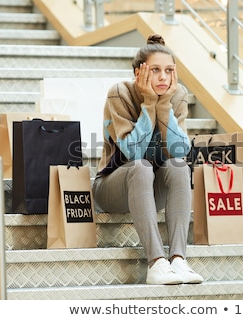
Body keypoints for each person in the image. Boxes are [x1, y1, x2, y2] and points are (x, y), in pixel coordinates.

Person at [92, 34, 203, 285]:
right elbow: (133, 152)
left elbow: (178, 151)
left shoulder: (178, 96)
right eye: (155, 70)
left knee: (177, 166)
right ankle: (156, 262)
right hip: (112, 186)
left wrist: (164, 106)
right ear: (138, 72)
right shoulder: (120, 93)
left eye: (168, 71)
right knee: (141, 167)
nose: (163, 77)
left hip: (151, 189)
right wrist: (149, 104)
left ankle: (177, 259)